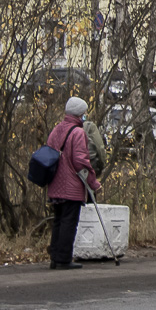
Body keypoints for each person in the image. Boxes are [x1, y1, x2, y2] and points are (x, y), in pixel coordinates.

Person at [46, 97, 102, 269]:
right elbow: (81, 162)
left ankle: (55, 258)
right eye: (84, 112)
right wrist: (93, 183)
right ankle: (64, 259)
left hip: (55, 183)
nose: (85, 115)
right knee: (69, 222)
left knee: (58, 220)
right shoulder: (78, 133)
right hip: (71, 186)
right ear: (79, 114)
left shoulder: (57, 129)